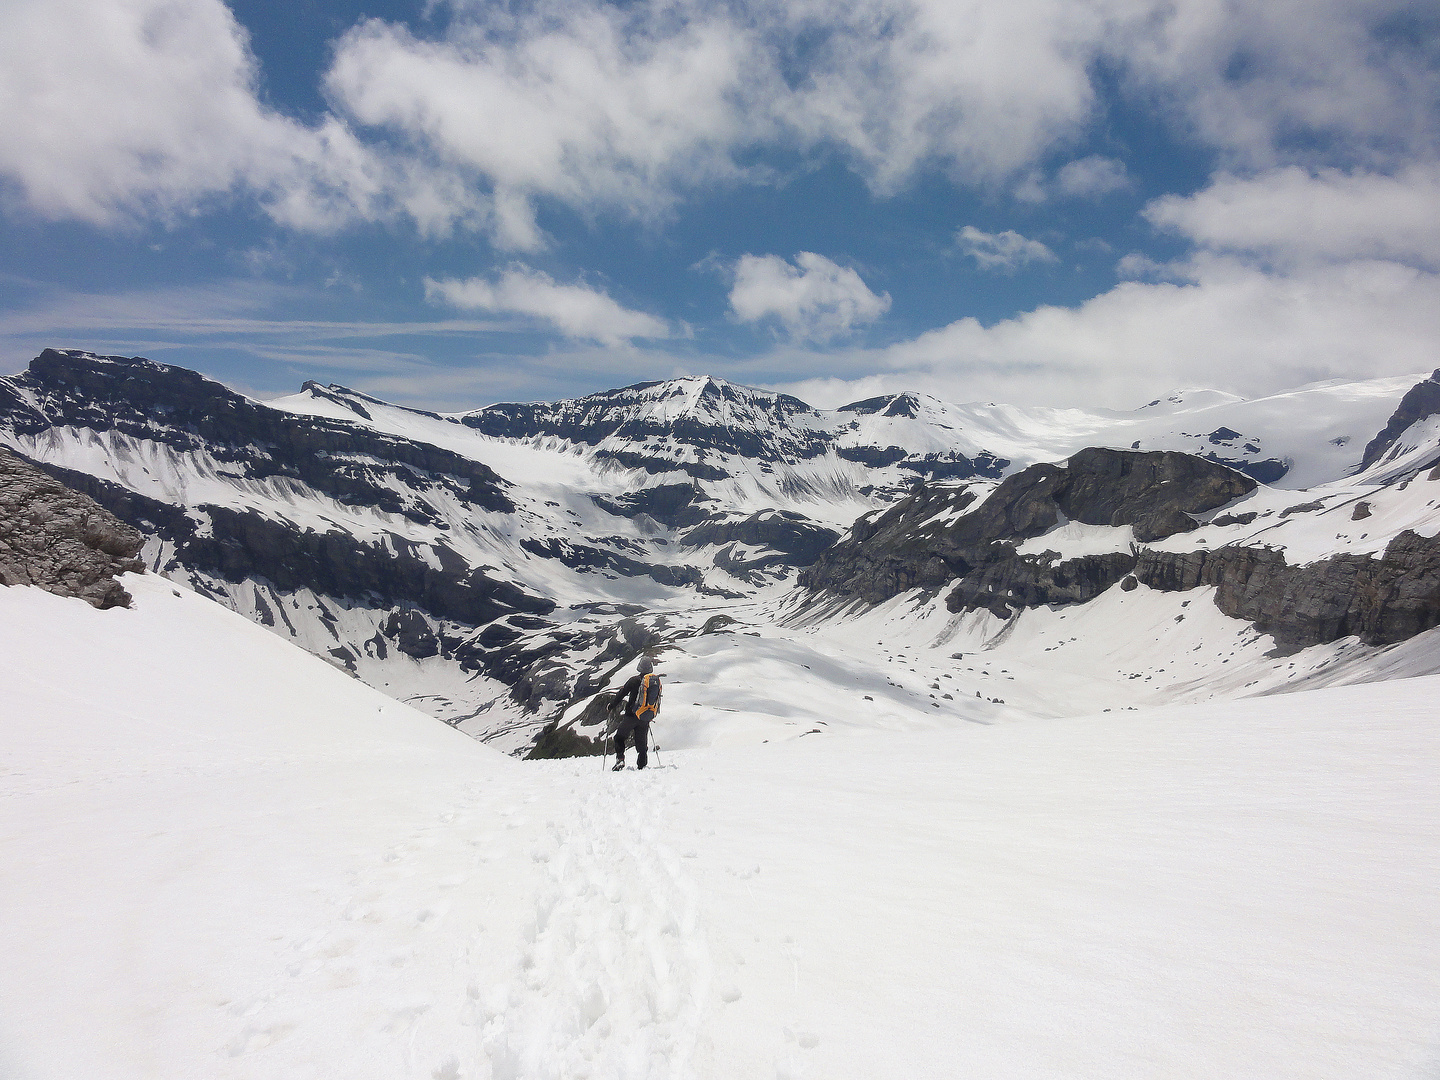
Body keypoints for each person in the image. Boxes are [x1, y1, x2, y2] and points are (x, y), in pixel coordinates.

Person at [611, 655, 662, 770]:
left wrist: (612, 705)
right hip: (644, 717)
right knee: (642, 744)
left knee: (619, 737)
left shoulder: (634, 680)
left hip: (631, 716)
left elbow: (622, 693)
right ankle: (642, 766)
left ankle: (620, 760)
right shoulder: (653, 682)